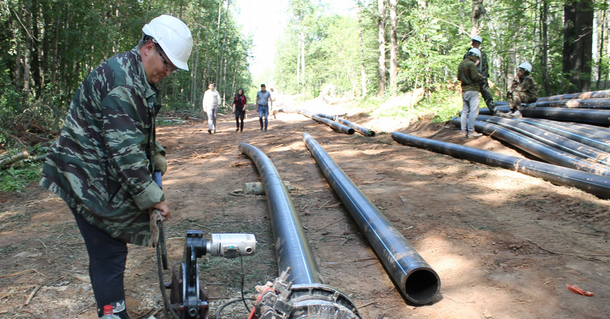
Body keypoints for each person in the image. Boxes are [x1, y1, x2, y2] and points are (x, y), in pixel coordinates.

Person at [39, 15, 193, 318]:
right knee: (109, 252)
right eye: (168, 64)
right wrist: (154, 198)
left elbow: (134, 131)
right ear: (150, 47)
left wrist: (156, 153)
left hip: (95, 169)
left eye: (173, 68)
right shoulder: (122, 83)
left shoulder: (135, 75)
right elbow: (124, 152)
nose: (169, 72)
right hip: (82, 173)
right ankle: (113, 313)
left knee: (106, 252)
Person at [463, 35, 499, 116]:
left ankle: (494, 111)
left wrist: (483, 77)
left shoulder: (482, 55)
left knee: (487, 95)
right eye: (475, 43)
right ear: (472, 43)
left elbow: (485, 67)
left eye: (477, 43)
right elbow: (465, 67)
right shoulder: (467, 55)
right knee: (471, 98)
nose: (476, 45)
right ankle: (469, 114)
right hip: (471, 81)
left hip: (481, 79)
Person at [457, 48, 483, 138]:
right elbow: (475, 77)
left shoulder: (461, 64)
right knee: (473, 111)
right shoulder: (471, 65)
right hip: (473, 90)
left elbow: (459, 77)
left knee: (465, 111)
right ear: (474, 56)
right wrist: (480, 76)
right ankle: (471, 132)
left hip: (464, 90)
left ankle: (463, 132)